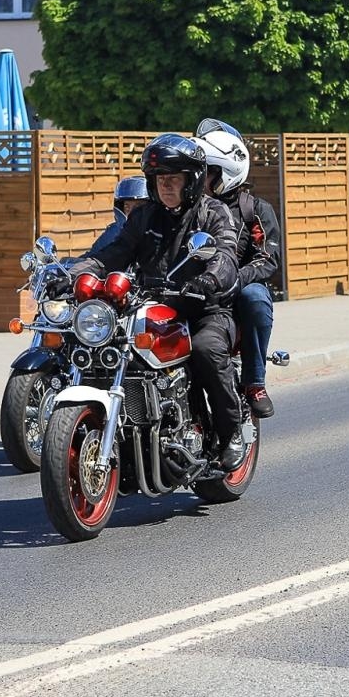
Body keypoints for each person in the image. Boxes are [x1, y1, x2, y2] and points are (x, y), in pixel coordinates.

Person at [72, 133, 247, 471]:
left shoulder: (214, 213)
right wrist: (74, 272)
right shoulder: (144, 217)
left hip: (203, 309)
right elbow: (113, 254)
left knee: (207, 350)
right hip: (151, 306)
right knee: (102, 349)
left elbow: (225, 256)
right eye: (159, 179)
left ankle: (232, 431)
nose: (165, 186)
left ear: (192, 180)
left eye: (173, 179)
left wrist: (209, 279)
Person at [195, 118, 283, 419]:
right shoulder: (188, 207)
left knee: (255, 298)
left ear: (228, 171)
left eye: (209, 172)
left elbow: (268, 258)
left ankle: (254, 381)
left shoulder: (254, 209)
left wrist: (236, 277)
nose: (201, 178)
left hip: (239, 285)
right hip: (195, 283)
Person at [89, 176, 150, 253]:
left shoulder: (160, 231)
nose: (131, 211)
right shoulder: (114, 232)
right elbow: (92, 257)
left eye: (138, 206)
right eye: (127, 206)